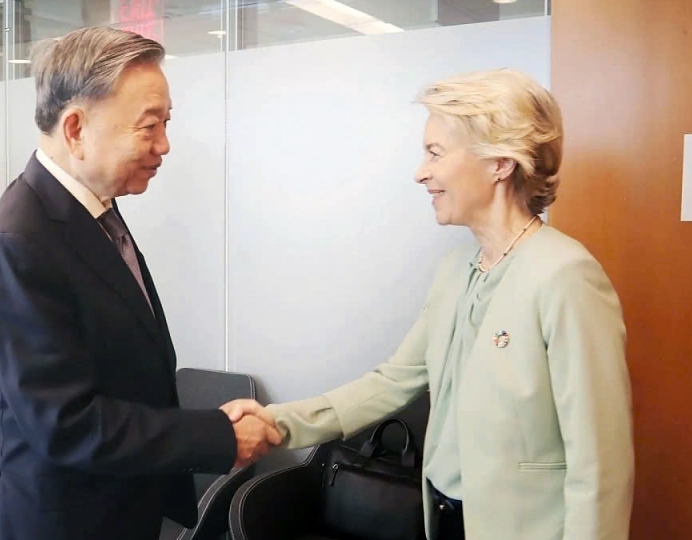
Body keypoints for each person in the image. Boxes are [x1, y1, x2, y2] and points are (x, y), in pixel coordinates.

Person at [225, 69, 635, 540]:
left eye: (435, 153)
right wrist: (277, 422)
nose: (421, 172)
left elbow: (601, 460)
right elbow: (393, 381)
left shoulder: (566, 276)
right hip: (443, 518)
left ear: (500, 162)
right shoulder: (457, 269)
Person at [0, 27, 281, 540]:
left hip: (116, 502)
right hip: (57, 519)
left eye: (166, 123)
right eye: (148, 126)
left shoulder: (91, 208)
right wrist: (217, 436)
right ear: (75, 129)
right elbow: (66, 424)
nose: (164, 145)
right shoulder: (18, 243)